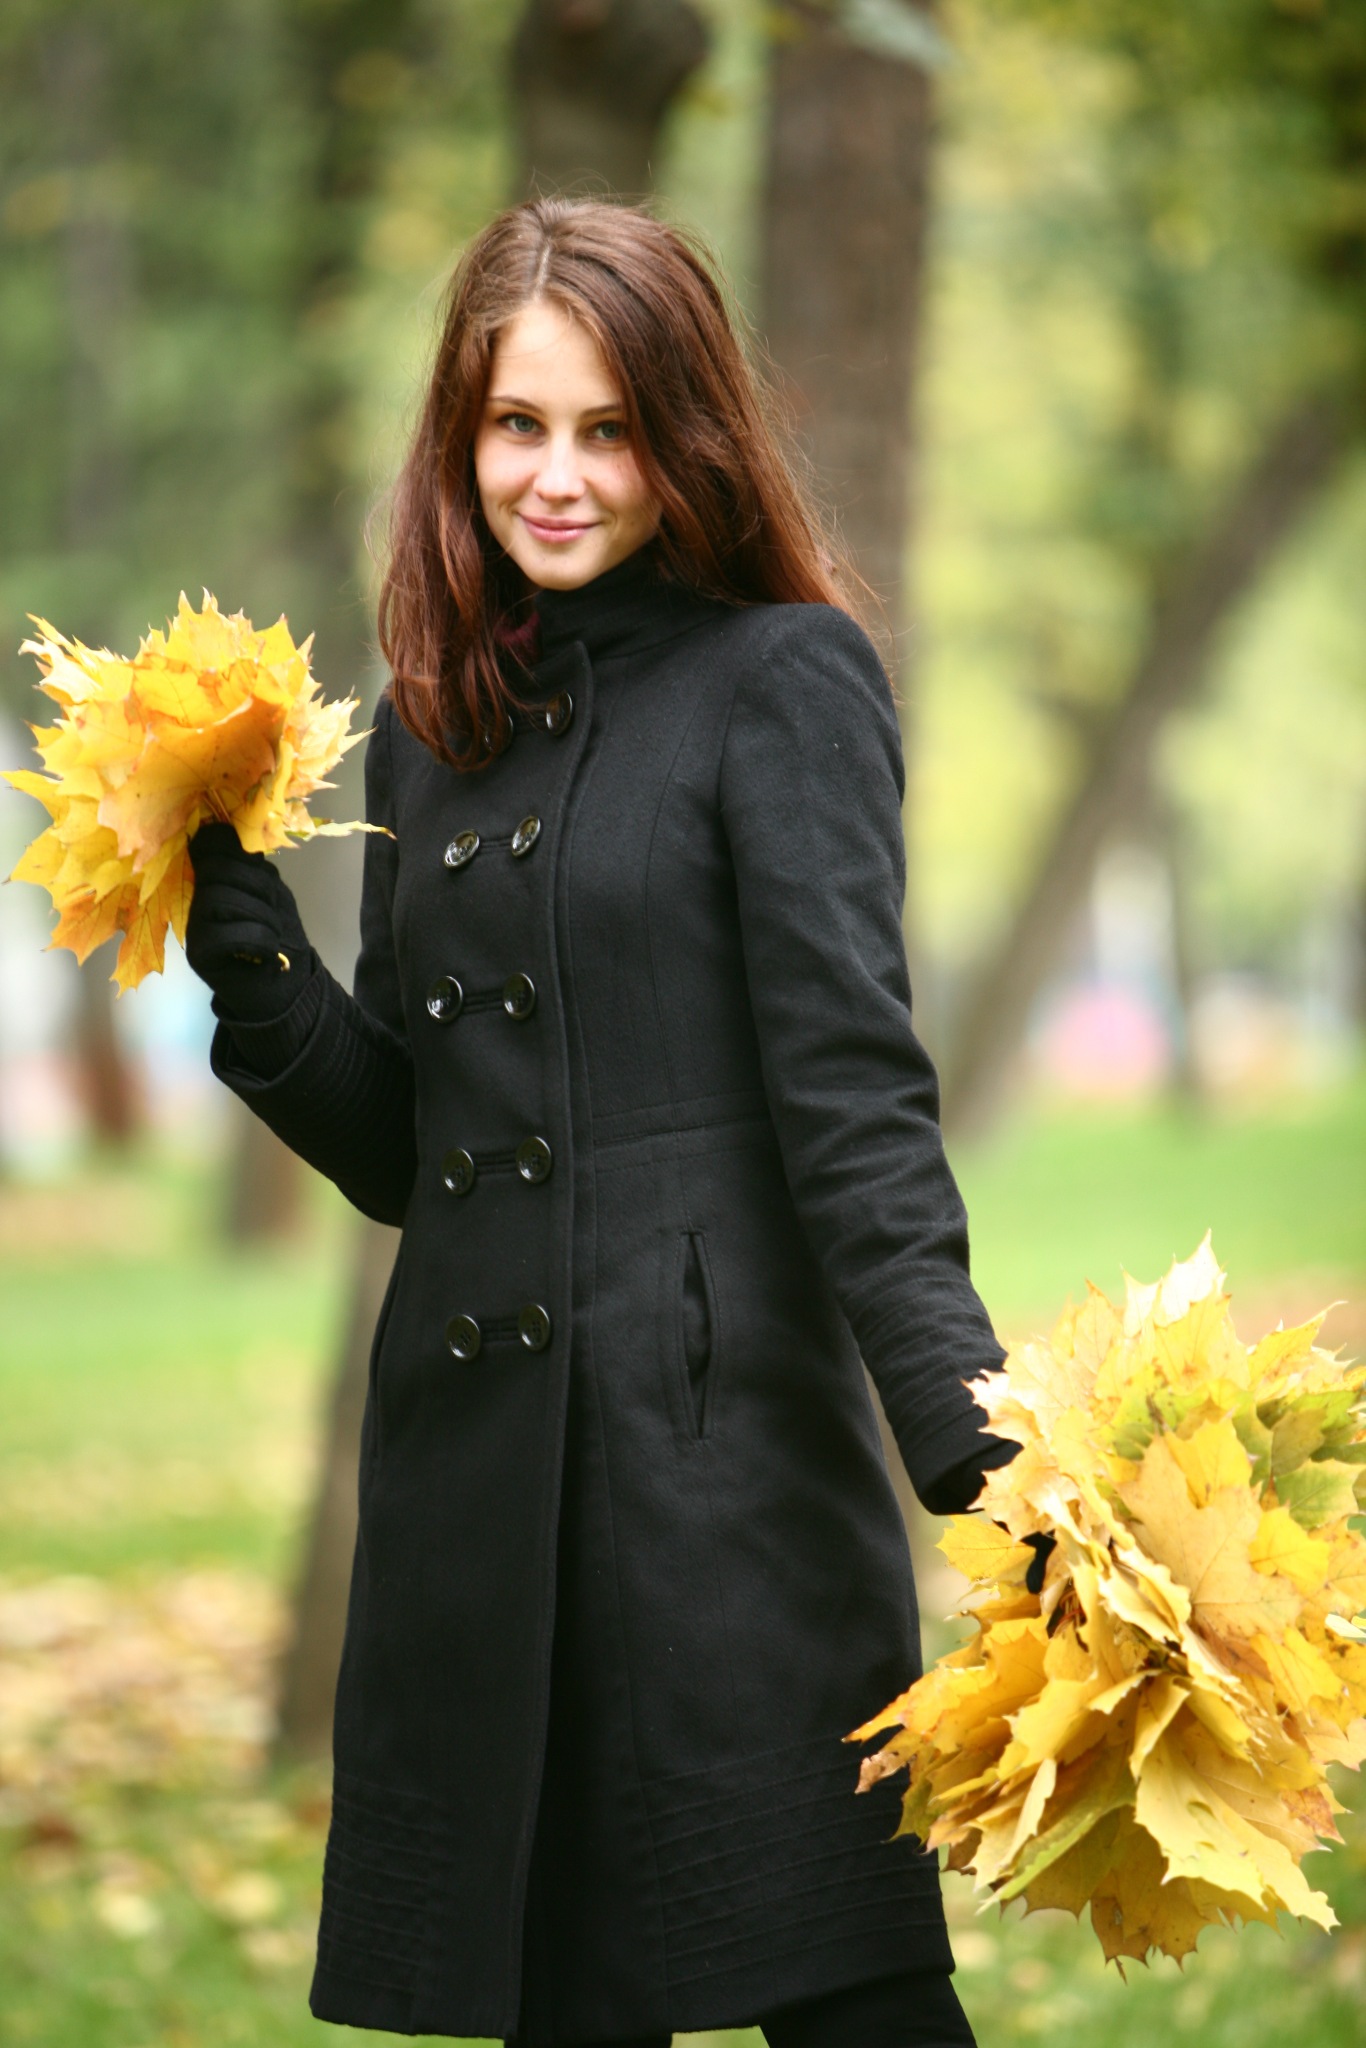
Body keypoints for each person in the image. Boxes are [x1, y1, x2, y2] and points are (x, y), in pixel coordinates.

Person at [185, 198, 1016, 2048]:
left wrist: (983, 1450)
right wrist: (266, 987)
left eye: (607, 430)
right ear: (459, 434)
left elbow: (853, 1104)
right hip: (480, 1482)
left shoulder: (781, 678)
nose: (554, 478)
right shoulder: (430, 726)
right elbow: (416, 1156)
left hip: (716, 1470)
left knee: (850, 1993)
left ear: (684, 438)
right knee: (557, 2008)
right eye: (515, 425)